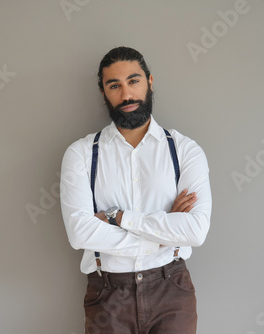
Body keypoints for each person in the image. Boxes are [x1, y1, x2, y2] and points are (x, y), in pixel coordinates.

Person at [60, 46, 212, 334]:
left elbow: (195, 230)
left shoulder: (184, 150)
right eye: (114, 85)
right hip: (107, 293)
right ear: (103, 91)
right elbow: (80, 232)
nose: (126, 94)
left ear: (150, 82)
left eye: (134, 81)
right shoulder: (80, 153)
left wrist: (119, 218)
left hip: (172, 290)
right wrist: (164, 234)